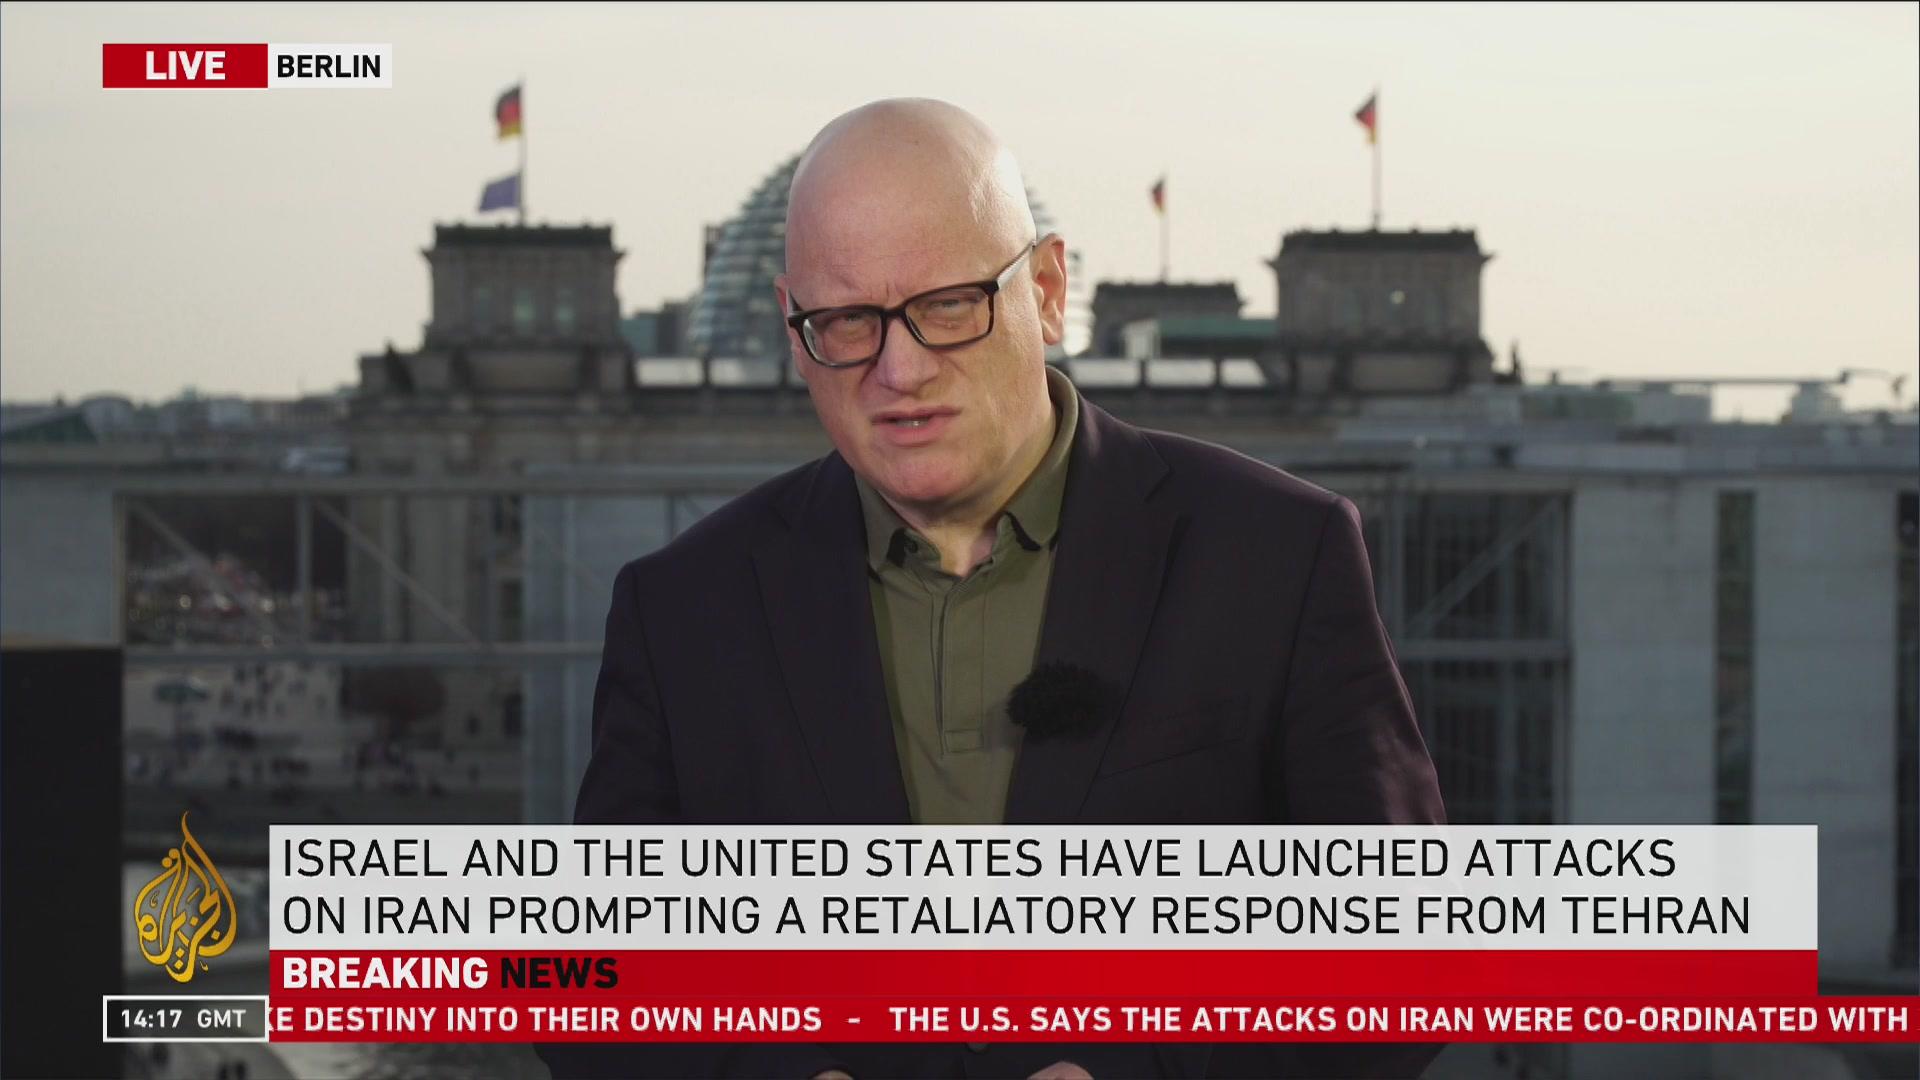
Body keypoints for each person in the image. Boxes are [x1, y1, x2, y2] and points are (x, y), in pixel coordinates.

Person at [541, 99, 1445, 1080]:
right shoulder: (683, 609)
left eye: (948, 306)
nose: (899, 370)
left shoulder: (1277, 554)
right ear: (795, 331)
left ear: (1047, 292)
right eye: (847, 321)